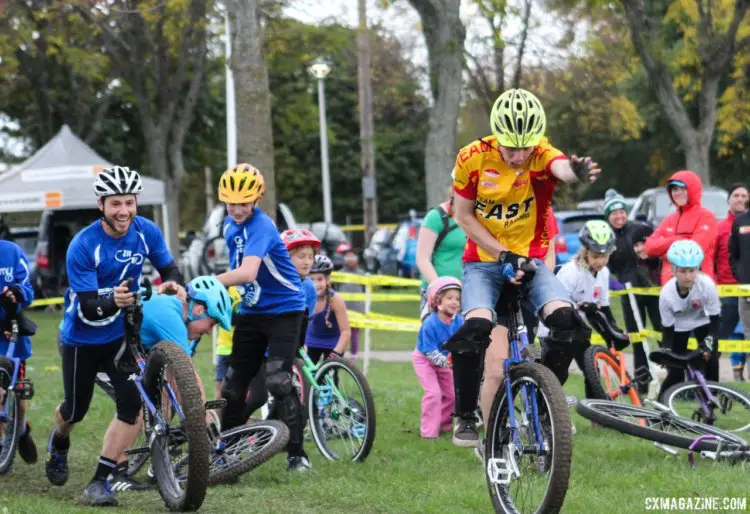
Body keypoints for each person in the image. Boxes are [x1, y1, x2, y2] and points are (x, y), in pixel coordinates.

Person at [446, 88, 601, 447]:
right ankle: (466, 416)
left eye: (525, 148)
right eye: (510, 147)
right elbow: (464, 216)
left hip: (531, 261)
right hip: (484, 262)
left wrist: (575, 172)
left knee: (570, 325)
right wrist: (502, 254)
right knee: (476, 328)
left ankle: (545, 395)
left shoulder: (540, 153)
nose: (518, 156)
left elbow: (560, 167)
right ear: (496, 137)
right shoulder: (472, 158)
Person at [46, 166, 185, 506]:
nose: (124, 211)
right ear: (101, 205)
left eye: (129, 202)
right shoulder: (83, 244)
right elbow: (90, 306)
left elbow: (169, 266)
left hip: (120, 335)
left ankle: (98, 482)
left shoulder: (145, 231)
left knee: (131, 405)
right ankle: (59, 440)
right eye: (115, 204)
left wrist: (171, 282)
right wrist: (113, 300)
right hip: (81, 338)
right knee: (76, 410)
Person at [214, 163, 311, 471]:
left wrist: (210, 281)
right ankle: (225, 452)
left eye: (243, 202)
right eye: (231, 202)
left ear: (256, 200)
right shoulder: (229, 227)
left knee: (279, 381)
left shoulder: (262, 226)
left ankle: (297, 453)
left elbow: (247, 272)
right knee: (232, 386)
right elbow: (239, 271)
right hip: (252, 311)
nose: (237, 208)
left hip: (285, 310)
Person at [538, 220, 622, 400]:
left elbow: (604, 307)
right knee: (557, 373)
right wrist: (581, 306)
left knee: (592, 368)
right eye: (596, 256)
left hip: (578, 329)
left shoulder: (604, 273)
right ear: (585, 252)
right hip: (553, 328)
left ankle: (597, 413)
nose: (601, 261)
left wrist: (614, 332)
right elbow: (557, 303)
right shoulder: (571, 272)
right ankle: (544, 410)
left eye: (605, 256)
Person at [242, 228, 321, 420]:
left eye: (310, 256)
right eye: (301, 256)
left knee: (285, 395)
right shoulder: (270, 283)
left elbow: (303, 322)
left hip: (286, 352)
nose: (307, 261)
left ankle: (270, 435)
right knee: (258, 398)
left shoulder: (309, 288)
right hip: (260, 351)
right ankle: (226, 428)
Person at [603, 188, 662, 393]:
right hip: (628, 293)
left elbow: (656, 254)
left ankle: (670, 377)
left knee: (661, 332)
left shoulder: (639, 229)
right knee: (636, 338)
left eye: (621, 212)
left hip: (651, 289)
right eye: (613, 213)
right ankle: (643, 382)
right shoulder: (607, 237)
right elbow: (604, 265)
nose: (619, 216)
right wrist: (617, 281)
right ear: (608, 216)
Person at [657, 240, 721, 398]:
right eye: (683, 271)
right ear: (673, 270)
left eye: (692, 271)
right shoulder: (666, 294)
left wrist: (709, 341)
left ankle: (710, 404)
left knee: (711, 363)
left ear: (698, 269)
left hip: (703, 321)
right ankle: (660, 404)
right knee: (676, 371)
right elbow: (668, 328)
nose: (688, 276)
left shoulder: (707, 285)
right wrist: (666, 350)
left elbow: (715, 318)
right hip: (678, 327)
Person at [645, 170, 718, 285]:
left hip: (698, 286)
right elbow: (649, 248)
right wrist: (677, 240)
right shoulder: (669, 220)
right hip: (670, 287)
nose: (678, 193)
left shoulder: (707, 217)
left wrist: (663, 250)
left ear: (693, 189)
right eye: (674, 189)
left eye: (683, 188)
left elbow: (691, 253)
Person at [0, 238, 37, 465]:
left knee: (13, 394)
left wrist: (17, 293)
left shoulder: (12, 252)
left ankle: (20, 430)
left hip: (10, 337)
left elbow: (29, 290)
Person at [412, 277, 463, 439]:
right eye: (450, 298)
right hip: (425, 360)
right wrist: (446, 362)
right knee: (433, 394)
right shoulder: (430, 324)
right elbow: (428, 350)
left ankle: (443, 423)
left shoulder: (459, 321)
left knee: (452, 395)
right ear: (437, 301)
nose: (454, 302)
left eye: (457, 298)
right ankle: (428, 432)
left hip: (446, 362)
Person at [416, 176, 467, 320]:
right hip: (439, 294)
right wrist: (440, 289)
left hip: (468, 293)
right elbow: (422, 259)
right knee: (436, 339)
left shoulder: (476, 218)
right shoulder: (436, 217)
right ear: (452, 191)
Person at [716, 184, 748, 381]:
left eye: (744, 195)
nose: (740, 199)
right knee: (724, 336)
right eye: (736, 195)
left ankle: (743, 375)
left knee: (747, 334)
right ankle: (713, 376)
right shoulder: (719, 227)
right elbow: (712, 257)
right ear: (729, 200)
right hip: (726, 290)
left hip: (746, 289)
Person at [306, 255, 351, 363]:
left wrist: (336, 352)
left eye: (320, 279)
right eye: (311, 280)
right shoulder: (304, 298)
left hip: (333, 344)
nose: (316, 284)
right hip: (310, 343)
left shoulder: (335, 300)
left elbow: (346, 331)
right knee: (305, 377)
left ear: (327, 280)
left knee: (329, 378)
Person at [730, 191, 750, 381]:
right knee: (748, 335)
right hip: (746, 290)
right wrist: (741, 275)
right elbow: (733, 253)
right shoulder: (741, 221)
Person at [333, 245, 365, 355]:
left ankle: (354, 355)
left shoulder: (362, 274)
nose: (351, 261)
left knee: (355, 332)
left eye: (353, 258)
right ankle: (339, 352)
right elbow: (336, 287)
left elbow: (364, 288)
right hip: (343, 308)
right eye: (348, 259)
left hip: (357, 308)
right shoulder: (340, 274)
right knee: (342, 331)